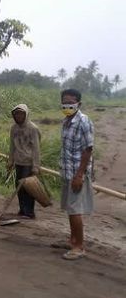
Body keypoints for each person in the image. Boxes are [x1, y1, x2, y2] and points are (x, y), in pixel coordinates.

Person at [59, 89, 94, 260]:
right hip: (67, 172)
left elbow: (88, 149)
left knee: (75, 210)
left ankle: (79, 247)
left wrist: (79, 175)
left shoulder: (83, 121)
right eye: (64, 102)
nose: (67, 105)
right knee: (70, 210)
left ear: (78, 104)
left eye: (71, 102)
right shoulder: (66, 121)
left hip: (76, 174)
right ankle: (72, 241)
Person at [7, 103, 41, 219]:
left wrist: (36, 166)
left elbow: (36, 148)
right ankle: (22, 209)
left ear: (26, 115)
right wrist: (10, 160)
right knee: (19, 187)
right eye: (16, 114)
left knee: (28, 188)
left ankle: (30, 212)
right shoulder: (14, 128)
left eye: (21, 114)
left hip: (29, 162)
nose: (19, 116)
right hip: (18, 162)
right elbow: (12, 145)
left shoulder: (33, 128)